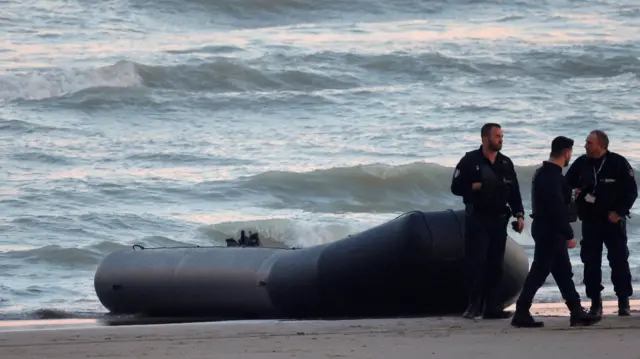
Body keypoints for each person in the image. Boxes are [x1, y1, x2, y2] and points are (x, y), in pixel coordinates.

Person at [511, 136, 601, 328]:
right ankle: (521, 311)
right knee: (540, 271)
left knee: (562, 272)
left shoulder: (543, 173)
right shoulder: (552, 177)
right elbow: (556, 209)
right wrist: (568, 234)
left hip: (546, 227)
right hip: (550, 230)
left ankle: (576, 311)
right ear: (566, 153)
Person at [451, 123, 525, 319]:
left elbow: (514, 191)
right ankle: (473, 305)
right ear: (485, 138)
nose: (501, 139)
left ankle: (492, 307)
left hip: (499, 219)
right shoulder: (469, 160)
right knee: (476, 262)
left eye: (502, 136)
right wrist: (472, 186)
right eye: (497, 136)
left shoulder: (506, 163)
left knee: (496, 264)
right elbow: (455, 187)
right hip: (478, 218)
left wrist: (519, 214)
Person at [565, 130, 638, 316]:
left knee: (619, 261)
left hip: (612, 220)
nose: (585, 145)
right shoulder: (581, 163)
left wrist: (620, 213)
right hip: (590, 221)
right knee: (590, 262)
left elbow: (631, 191)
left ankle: (623, 302)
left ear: (601, 146)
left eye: (589, 142)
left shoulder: (618, 162)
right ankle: (595, 303)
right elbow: (565, 185)